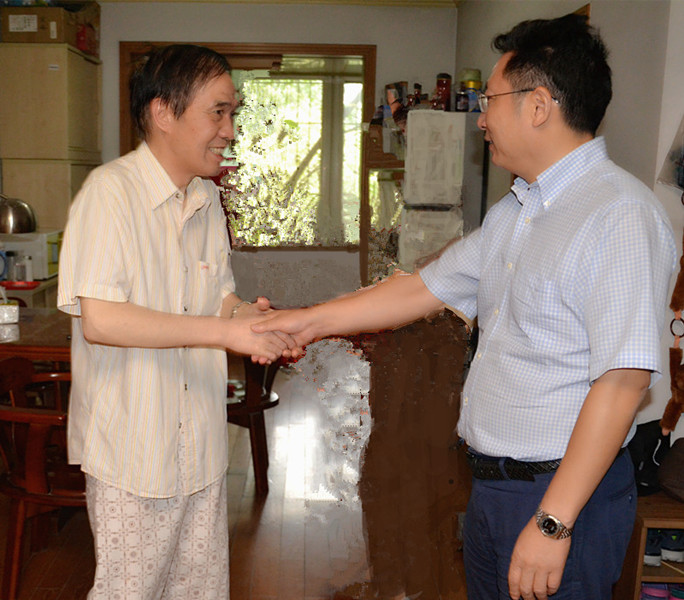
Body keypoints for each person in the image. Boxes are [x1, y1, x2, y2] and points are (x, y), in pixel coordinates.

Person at [253, 14, 677, 600]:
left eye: (490, 101)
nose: (480, 118)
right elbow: (419, 288)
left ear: (538, 106)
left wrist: (553, 523)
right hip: (495, 491)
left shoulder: (618, 216)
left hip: (560, 499)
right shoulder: (517, 212)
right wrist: (299, 322)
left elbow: (624, 382)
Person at [57, 44, 291, 599]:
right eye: (218, 112)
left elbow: (217, 299)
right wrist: (225, 331)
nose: (229, 131)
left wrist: (255, 322)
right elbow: (102, 320)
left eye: (232, 113)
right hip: (134, 455)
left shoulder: (205, 197)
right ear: (163, 112)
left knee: (198, 591)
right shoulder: (109, 194)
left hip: (201, 445)